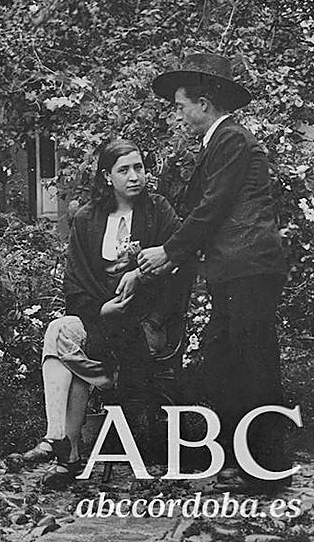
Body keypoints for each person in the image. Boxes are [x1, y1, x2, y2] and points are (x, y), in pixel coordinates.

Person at [142, 52, 290, 494]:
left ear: (204, 104)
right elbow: (200, 208)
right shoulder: (220, 142)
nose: (178, 115)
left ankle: (266, 469)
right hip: (236, 269)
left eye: (181, 106)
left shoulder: (231, 140)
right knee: (225, 360)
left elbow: (212, 208)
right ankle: (246, 461)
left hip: (248, 267)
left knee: (252, 363)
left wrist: (169, 252)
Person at [20, 138, 191, 488]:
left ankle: (64, 453)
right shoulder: (88, 218)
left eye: (139, 167)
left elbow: (182, 263)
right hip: (100, 319)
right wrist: (101, 308)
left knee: (68, 354)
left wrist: (144, 281)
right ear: (106, 177)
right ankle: (58, 437)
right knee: (59, 330)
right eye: (123, 170)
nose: (134, 176)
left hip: (144, 324)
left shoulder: (158, 211)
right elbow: (75, 282)